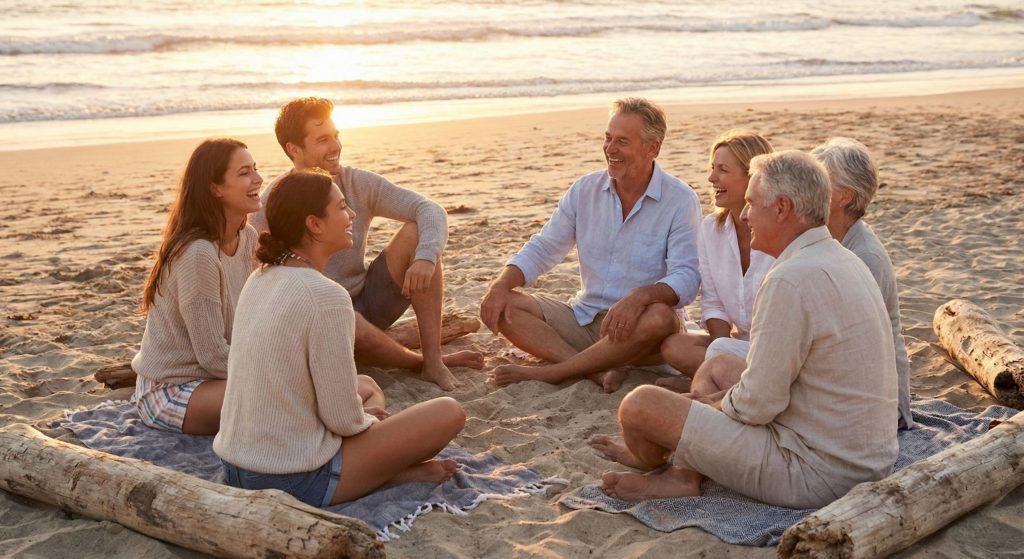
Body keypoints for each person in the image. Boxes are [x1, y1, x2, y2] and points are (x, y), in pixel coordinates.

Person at [595, 151, 898, 509]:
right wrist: (715, 403)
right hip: (864, 458)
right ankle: (683, 472)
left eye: (752, 204)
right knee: (717, 362)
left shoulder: (790, 278)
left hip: (816, 472)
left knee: (640, 404)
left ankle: (656, 463)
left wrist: (709, 406)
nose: (744, 215)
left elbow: (758, 405)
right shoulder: (843, 257)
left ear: (782, 208)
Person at [214, 169, 466, 507]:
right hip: (294, 480)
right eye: (343, 207)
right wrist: (368, 422)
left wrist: (366, 418)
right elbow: (342, 420)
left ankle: (377, 470)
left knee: (366, 384)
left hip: (235, 467)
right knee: (448, 412)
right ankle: (381, 474)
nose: (352, 215)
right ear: (314, 224)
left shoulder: (259, 279)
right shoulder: (326, 295)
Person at [250, 97, 482, 391]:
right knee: (344, 313)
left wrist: (426, 257)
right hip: (321, 315)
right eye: (322, 140)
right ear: (294, 149)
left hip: (370, 299)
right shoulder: (274, 202)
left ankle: (433, 361)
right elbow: (257, 269)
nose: (335, 146)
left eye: (336, 136)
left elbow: (429, 209)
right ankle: (418, 361)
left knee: (416, 233)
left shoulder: (357, 182)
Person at [481, 97, 701, 393]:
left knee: (661, 317)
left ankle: (558, 371)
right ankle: (594, 370)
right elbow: (544, 247)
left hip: (640, 333)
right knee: (506, 304)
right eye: (608, 138)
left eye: (622, 141)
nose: (610, 149)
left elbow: (687, 277)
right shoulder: (585, 190)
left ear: (653, 148)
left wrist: (639, 298)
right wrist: (500, 284)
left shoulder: (680, 199)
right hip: (584, 318)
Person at [131, 139, 262, 435]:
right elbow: (213, 355)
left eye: (255, 169)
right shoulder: (198, 254)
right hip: (172, 390)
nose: (258, 179)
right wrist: (273, 371)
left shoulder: (248, 237)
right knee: (280, 397)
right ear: (216, 188)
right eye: (244, 173)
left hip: (217, 379)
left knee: (350, 387)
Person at [655, 130, 774, 391]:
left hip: (776, 351)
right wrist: (722, 351)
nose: (711, 178)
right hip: (736, 344)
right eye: (712, 168)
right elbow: (712, 302)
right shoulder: (711, 228)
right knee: (674, 347)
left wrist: (720, 354)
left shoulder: (778, 229)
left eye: (722, 170)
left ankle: (714, 381)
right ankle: (720, 377)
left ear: (752, 176)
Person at [813, 137, 913, 429]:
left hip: (873, 400)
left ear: (844, 196)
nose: (808, 186)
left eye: (819, 180)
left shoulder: (865, 255)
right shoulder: (826, 235)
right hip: (838, 379)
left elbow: (849, 348)